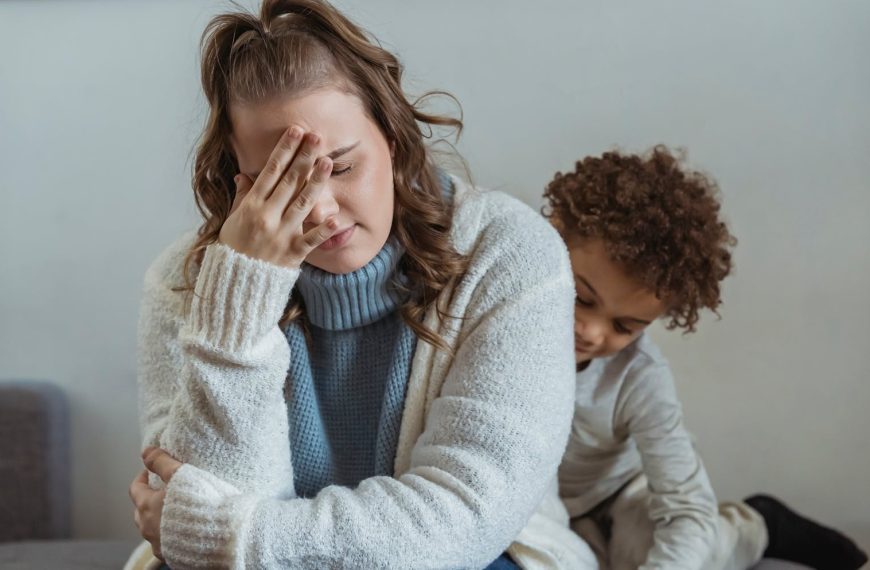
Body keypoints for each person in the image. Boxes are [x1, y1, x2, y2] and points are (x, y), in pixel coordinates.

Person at [125, 0, 595, 568]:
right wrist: (242, 296)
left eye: (342, 168)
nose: (320, 212)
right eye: (281, 182)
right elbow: (201, 515)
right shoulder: (185, 282)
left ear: (392, 137)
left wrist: (236, 538)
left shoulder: (509, 254)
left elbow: (460, 520)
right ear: (241, 180)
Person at [544, 146, 868, 570]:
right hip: (542, 507)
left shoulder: (639, 378)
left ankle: (758, 523)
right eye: (581, 298)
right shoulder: (500, 321)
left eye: (624, 326)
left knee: (679, 551)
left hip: (620, 494)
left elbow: (686, 506)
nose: (591, 331)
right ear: (550, 235)